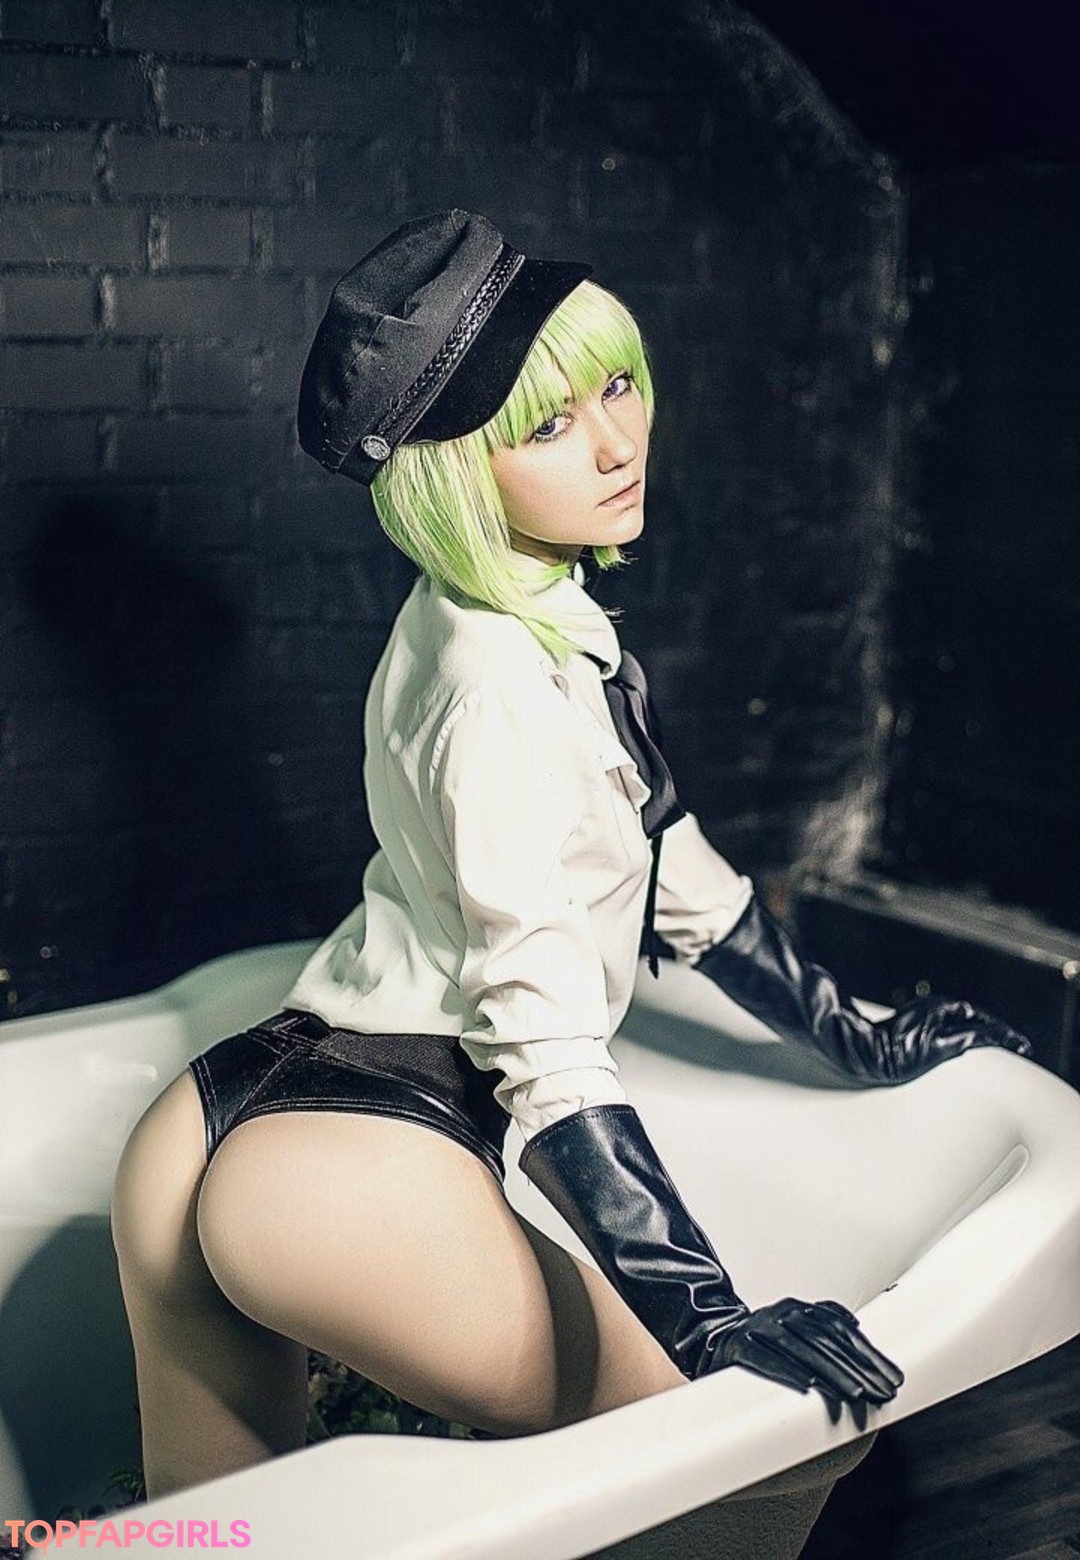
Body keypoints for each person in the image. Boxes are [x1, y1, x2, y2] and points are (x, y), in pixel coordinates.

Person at [110, 211, 1031, 1543]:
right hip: (358, 1163)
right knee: (747, 1449)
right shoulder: (503, 691)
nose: (615, 440)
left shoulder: (493, 617)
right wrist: (709, 1321)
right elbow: (542, 1044)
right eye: (546, 424)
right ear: (455, 471)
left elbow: (658, 855)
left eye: (617, 385)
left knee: (218, 1541)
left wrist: (855, 1032)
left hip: (219, 1116)